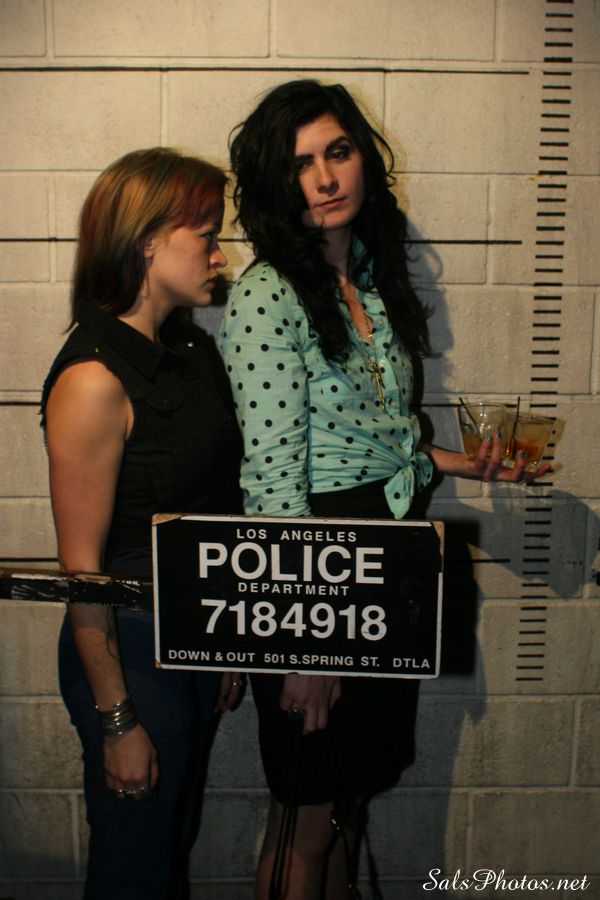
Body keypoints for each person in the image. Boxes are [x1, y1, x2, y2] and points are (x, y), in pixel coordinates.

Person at [220, 80, 550, 899]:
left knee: (347, 806)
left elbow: (378, 444)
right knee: (303, 818)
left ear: (363, 158)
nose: (326, 177)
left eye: (338, 152)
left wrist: (468, 465)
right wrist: (304, 643)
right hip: (315, 563)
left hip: (387, 550)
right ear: (274, 183)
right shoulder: (267, 294)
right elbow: (273, 481)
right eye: (301, 164)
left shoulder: (368, 278)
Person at [41, 147, 243, 900]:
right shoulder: (93, 380)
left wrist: (226, 641)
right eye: (208, 236)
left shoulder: (189, 350)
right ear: (148, 240)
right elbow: (82, 572)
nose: (221, 255)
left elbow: (216, 507)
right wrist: (117, 719)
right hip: (127, 649)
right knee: (135, 870)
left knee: (169, 846)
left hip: (193, 635)